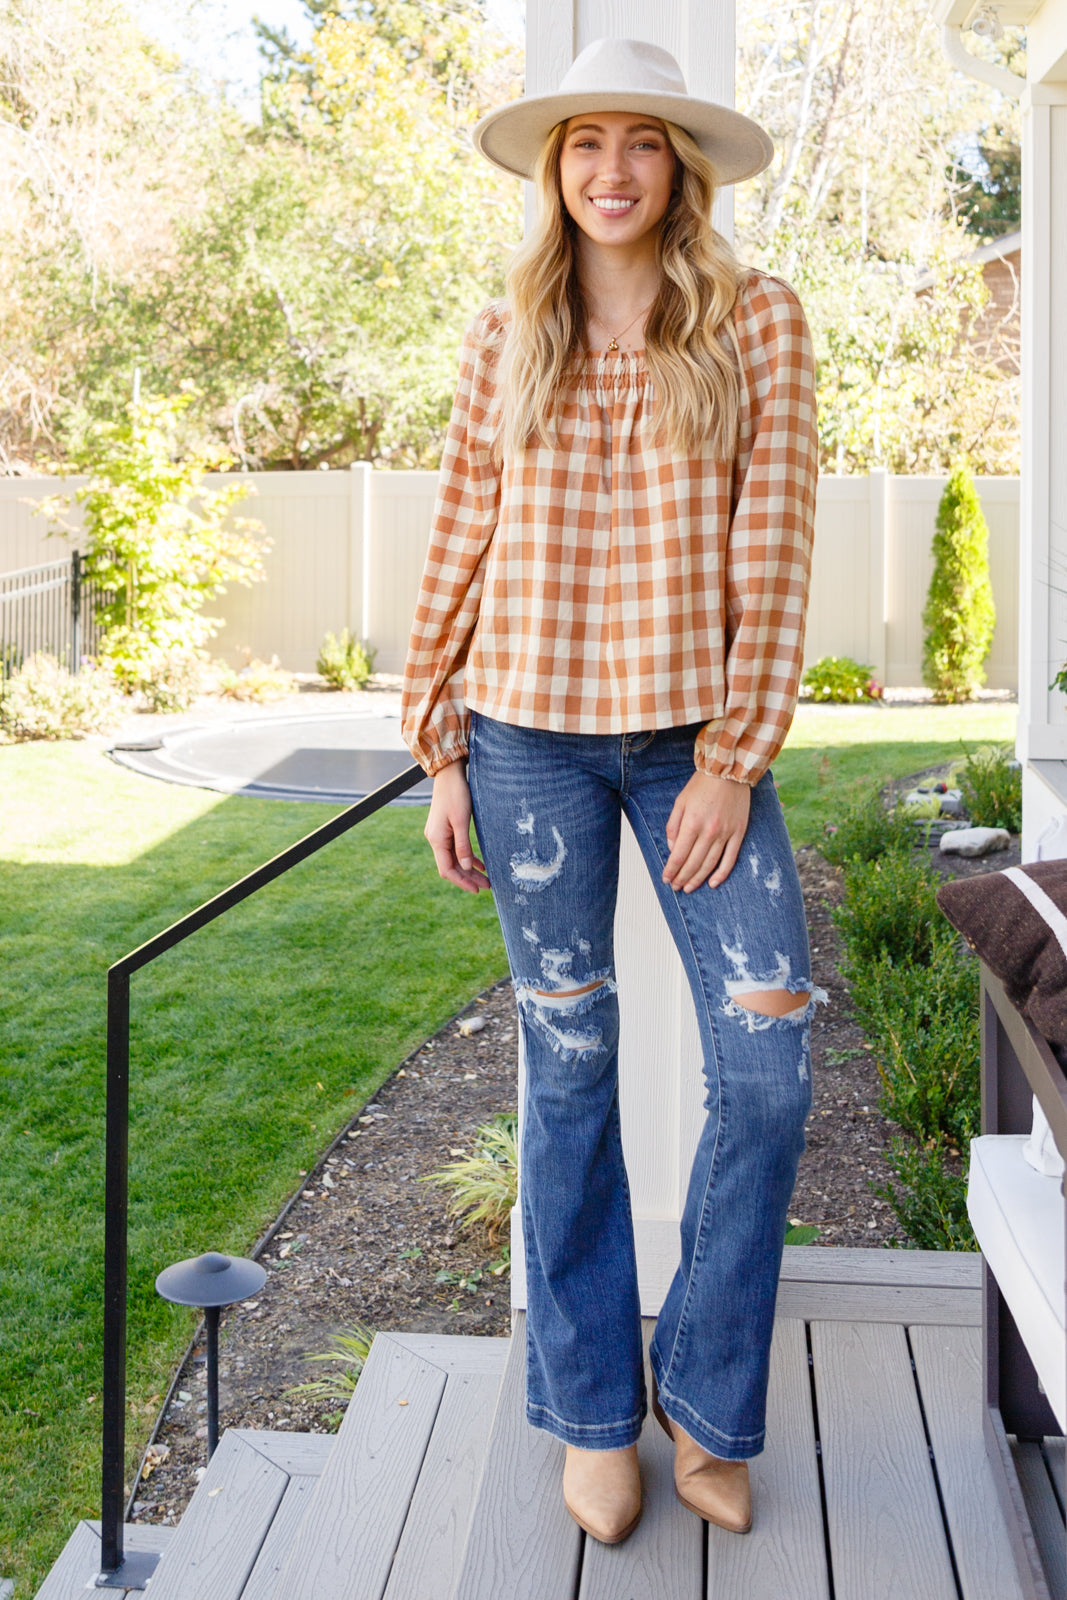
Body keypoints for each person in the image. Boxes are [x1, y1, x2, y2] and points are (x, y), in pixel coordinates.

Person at [401, 36, 821, 1547]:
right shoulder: (506, 331)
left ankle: (704, 1399)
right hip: (526, 742)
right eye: (586, 143)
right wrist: (441, 746)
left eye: (643, 142)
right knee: (569, 1070)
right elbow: (460, 534)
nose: (613, 170)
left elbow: (776, 543)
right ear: (554, 168)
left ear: (681, 167)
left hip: (693, 738)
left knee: (768, 1072)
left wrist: (732, 758)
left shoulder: (757, 320)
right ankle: (591, 1415)